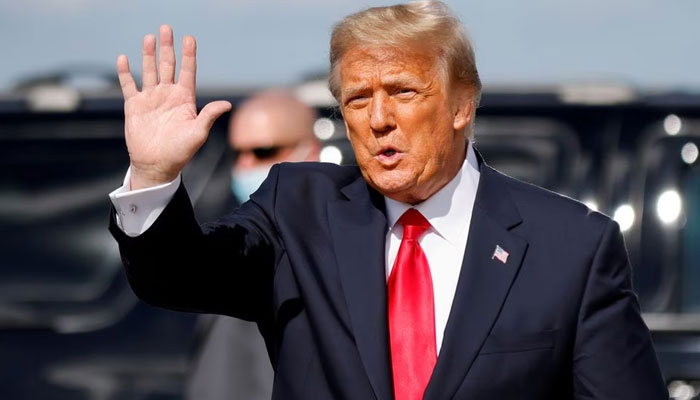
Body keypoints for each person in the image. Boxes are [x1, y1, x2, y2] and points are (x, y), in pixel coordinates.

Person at [109, 1, 667, 399]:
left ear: (461, 105)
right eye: (356, 99)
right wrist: (154, 174)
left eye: (402, 91)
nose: (378, 119)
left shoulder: (570, 247)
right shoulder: (299, 212)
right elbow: (178, 276)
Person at [187, 90, 319, 400]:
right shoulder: (232, 235)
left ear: (309, 152)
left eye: (262, 152)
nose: (246, 165)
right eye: (238, 154)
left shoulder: (325, 245)